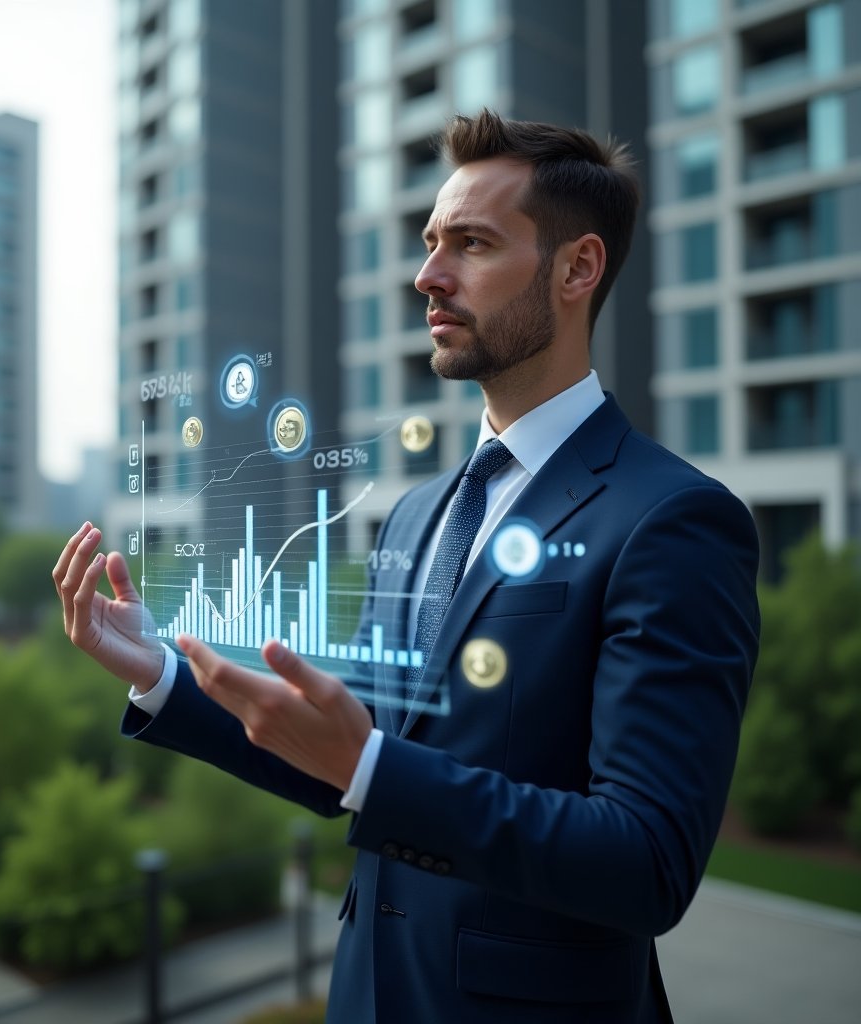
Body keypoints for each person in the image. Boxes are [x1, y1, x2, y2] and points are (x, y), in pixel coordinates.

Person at [53, 110, 760, 1023]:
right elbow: (347, 758)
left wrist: (373, 768)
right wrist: (159, 676)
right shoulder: (419, 514)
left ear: (577, 268)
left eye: (472, 243)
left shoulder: (673, 520)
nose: (428, 275)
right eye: (431, 243)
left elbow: (646, 861)